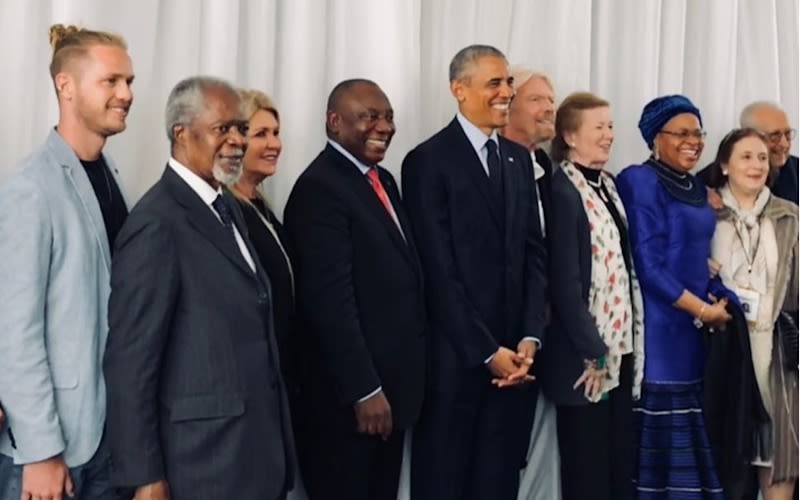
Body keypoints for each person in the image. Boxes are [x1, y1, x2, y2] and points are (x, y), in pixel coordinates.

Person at [103, 76, 295, 500]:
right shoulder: (157, 222)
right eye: (221, 128)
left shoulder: (228, 208)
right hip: (201, 465)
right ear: (181, 133)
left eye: (240, 128)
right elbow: (130, 362)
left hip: (254, 455)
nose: (236, 141)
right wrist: (145, 475)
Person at [402, 45, 547, 500]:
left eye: (508, 83)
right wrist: (487, 351)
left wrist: (528, 338)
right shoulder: (427, 161)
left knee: (499, 484)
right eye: (494, 84)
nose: (506, 93)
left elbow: (532, 256)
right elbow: (438, 272)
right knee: (446, 484)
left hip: (515, 371)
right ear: (458, 90)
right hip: (455, 367)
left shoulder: (518, 160)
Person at [0, 24, 133, 500]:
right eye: (111, 81)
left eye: (129, 82)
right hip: (58, 447)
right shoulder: (31, 188)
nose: (126, 94)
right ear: (66, 86)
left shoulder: (113, 175)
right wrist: (39, 451)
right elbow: (16, 333)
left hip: (112, 434)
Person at [283, 79, 426, 500]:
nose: (383, 126)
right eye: (369, 116)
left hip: (391, 396)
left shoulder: (383, 180)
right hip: (349, 406)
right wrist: (364, 390)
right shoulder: (320, 189)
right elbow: (330, 303)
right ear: (335, 122)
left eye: (388, 116)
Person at [616, 94, 732, 500]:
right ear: (654, 138)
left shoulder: (696, 185)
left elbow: (698, 258)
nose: (694, 141)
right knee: (662, 455)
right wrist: (702, 309)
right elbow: (648, 266)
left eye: (698, 133)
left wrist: (719, 299)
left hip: (695, 331)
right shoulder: (638, 180)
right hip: (660, 332)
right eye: (681, 133)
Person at [537, 91, 644, 500]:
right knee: (588, 469)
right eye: (598, 127)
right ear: (569, 135)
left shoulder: (609, 185)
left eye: (610, 126)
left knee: (618, 462)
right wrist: (593, 348)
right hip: (588, 358)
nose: (608, 135)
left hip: (619, 349)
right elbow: (564, 282)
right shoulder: (562, 190)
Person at [706, 128, 798, 500]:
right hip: (724, 351)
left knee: (779, 464)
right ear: (724, 165)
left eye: (762, 157)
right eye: (745, 157)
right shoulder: (704, 214)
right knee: (728, 464)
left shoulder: (789, 216)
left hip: (776, 354)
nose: (756, 165)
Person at [500, 67, 560, 500]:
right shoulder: (485, 164)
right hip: (493, 348)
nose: (549, 108)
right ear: (508, 105)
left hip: (536, 338)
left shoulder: (545, 166)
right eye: (538, 99)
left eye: (551, 99)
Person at [229, 89, 296, 391]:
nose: (274, 144)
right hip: (252, 380)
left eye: (276, 133)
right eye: (261, 134)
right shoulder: (226, 213)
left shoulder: (262, 206)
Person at [698, 101, 798, 205]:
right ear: (747, 135)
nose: (784, 144)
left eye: (788, 134)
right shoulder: (707, 181)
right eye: (774, 136)